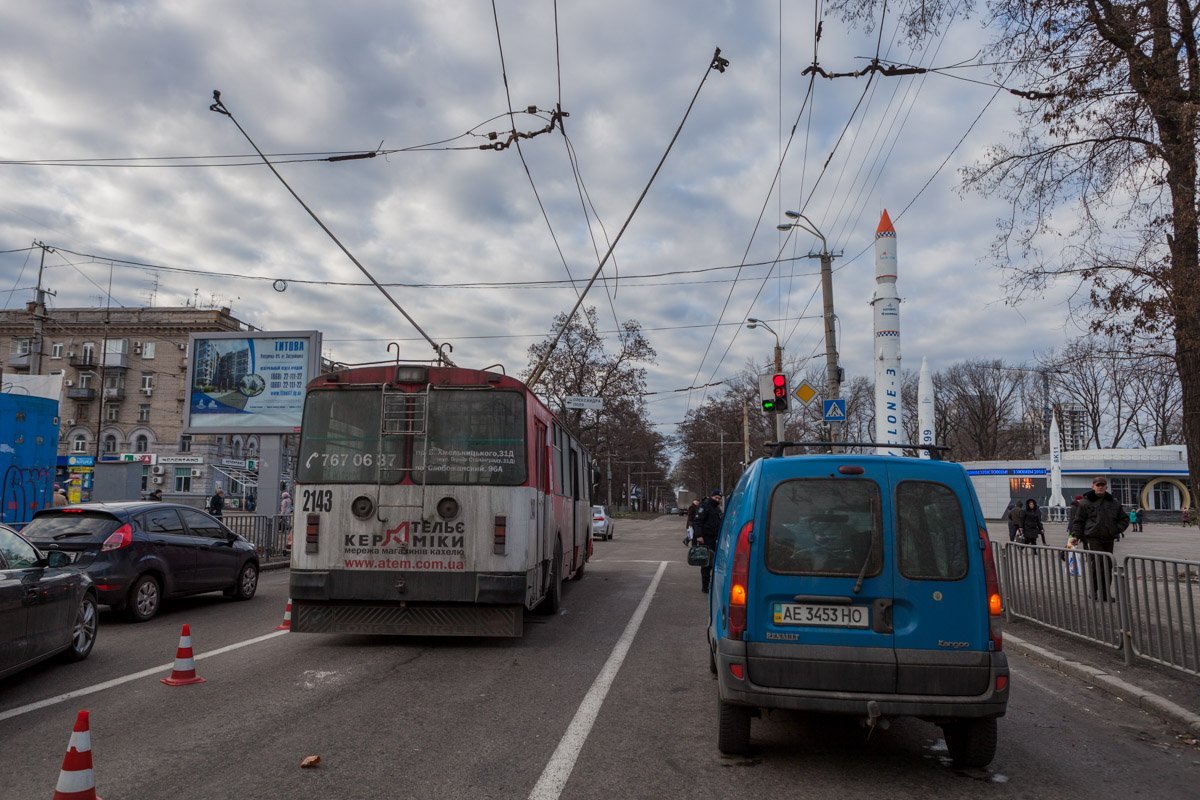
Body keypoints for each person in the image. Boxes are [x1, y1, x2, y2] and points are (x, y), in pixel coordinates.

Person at [1070, 477, 1129, 601]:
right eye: (1098, 485)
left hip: (1108, 538)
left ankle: (1105, 593)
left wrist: (1115, 529)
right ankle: (1094, 591)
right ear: (1093, 486)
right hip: (1092, 538)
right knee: (1097, 563)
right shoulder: (1085, 502)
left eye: (1103, 485)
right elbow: (1078, 521)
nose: (1100, 487)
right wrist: (1076, 536)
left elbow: (1124, 519)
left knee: (1108, 564)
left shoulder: (1113, 502)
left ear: (1106, 487)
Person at [693, 489, 723, 593]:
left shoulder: (717, 509)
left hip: (716, 539)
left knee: (714, 562)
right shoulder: (704, 506)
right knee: (706, 563)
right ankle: (705, 586)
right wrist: (699, 536)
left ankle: (712, 584)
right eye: (716, 498)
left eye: (719, 498)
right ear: (711, 496)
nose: (717, 500)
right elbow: (697, 522)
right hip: (706, 539)